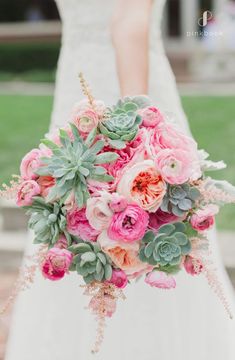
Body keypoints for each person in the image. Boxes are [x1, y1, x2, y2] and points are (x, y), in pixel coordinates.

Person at [5, 1, 235, 359]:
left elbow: (126, 23)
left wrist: (136, 134)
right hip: (115, 92)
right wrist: (137, 135)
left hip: (102, 93)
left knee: (97, 221)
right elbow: (129, 20)